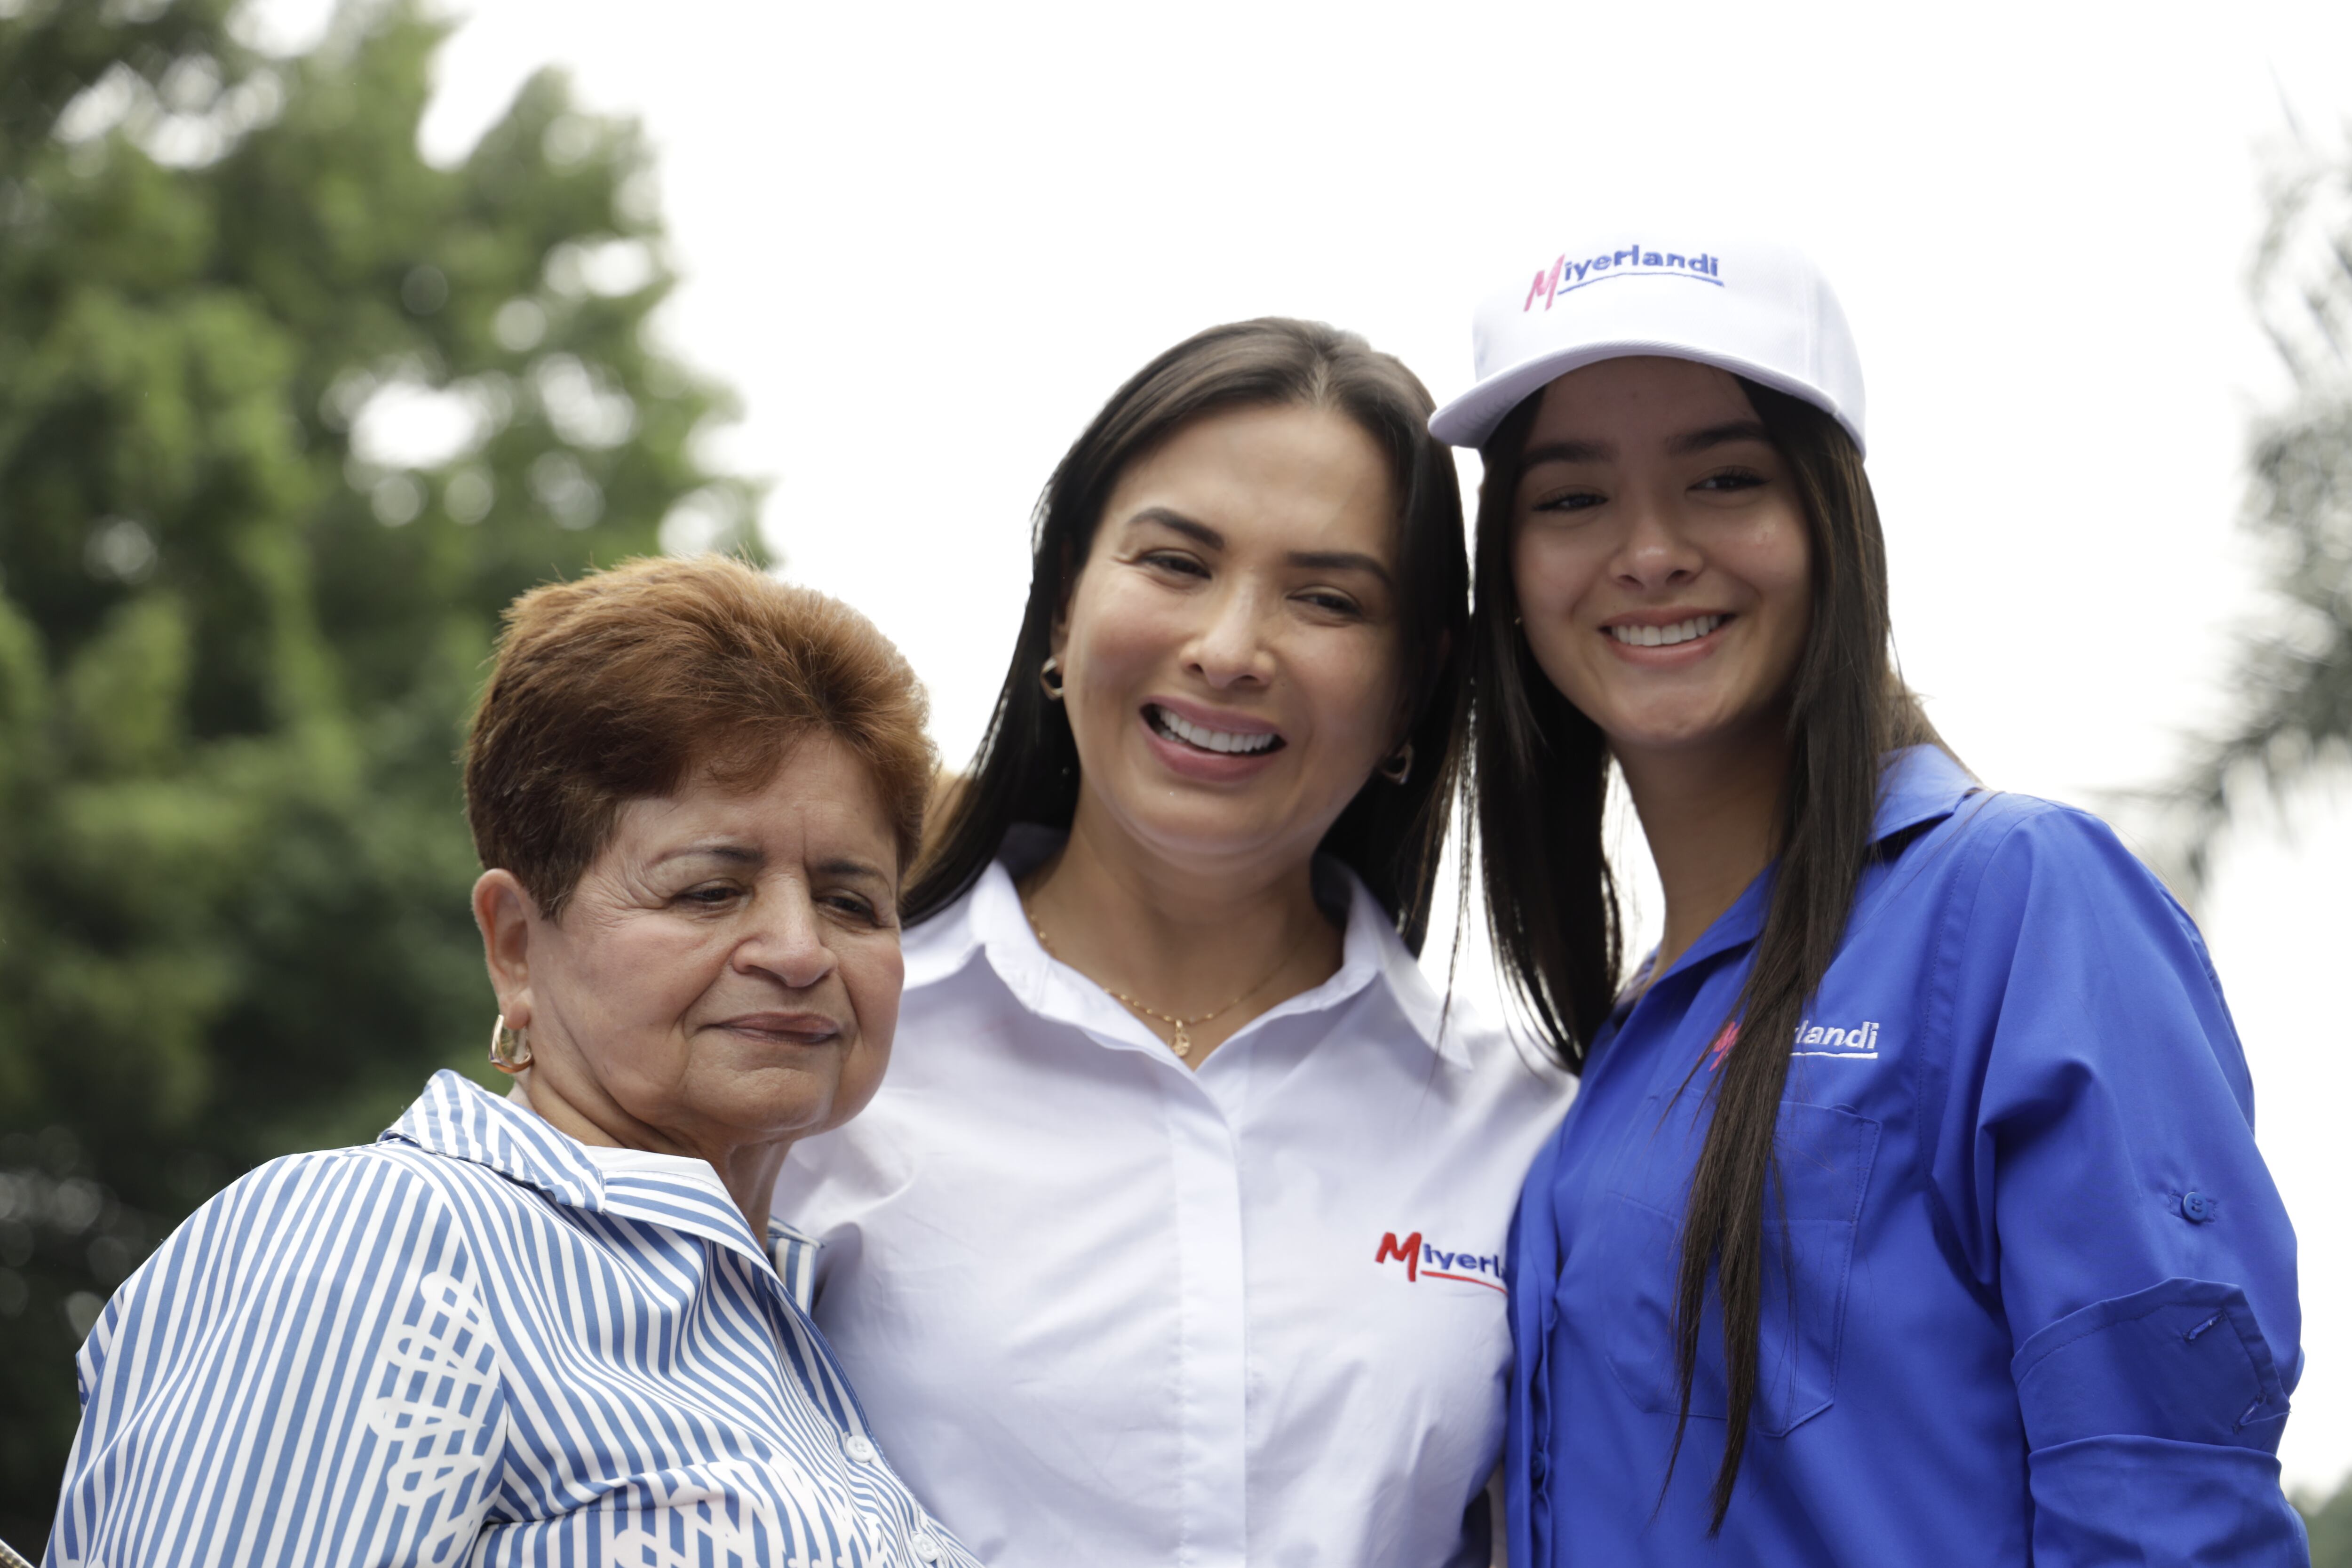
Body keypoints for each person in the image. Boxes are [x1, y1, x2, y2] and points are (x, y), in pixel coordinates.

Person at [1431, 231, 2310, 1564]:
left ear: (1831, 523)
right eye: (1569, 498)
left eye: (1725, 478)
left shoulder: (2021, 900)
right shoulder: (1617, 1051)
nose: (1650, 550)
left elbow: (2169, 1516)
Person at [775, 318, 1568, 1567]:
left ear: (1417, 681)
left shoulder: (1526, 1135)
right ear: (1060, 606)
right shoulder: (822, 1062)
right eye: (1176, 562)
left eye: (1326, 598)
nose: (1230, 647)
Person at [47, 557, 984, 1568]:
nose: (800, 951)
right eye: (710, 889)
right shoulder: (382, 1242)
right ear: (515, 943)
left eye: (852, 900)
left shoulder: (806, 1339)